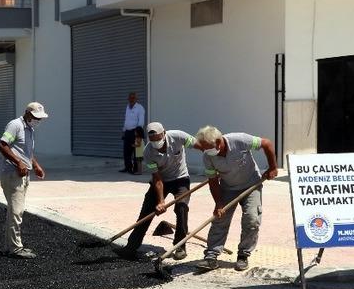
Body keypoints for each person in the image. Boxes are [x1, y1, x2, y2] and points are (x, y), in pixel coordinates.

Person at [113, 122, 203, 261]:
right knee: (147, 211)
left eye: (158, 138)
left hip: (181, 179)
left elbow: (200, 146)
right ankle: (131, 247)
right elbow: (157, 178)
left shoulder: (178, 137)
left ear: (164, 133)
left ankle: (180, 246)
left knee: (181, 208)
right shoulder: (148, 152)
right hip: (162, 181)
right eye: (152, 139)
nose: (156, 141)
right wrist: (161, 201)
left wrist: (214, 160)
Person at [194, 126, 278, 271]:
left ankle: (243, 255)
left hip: (252, 185)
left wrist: (272, 167)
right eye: (204, 149)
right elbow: (213, 181)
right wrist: (218, 203)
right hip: (228, 188)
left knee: (252, 219)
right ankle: (211, 256)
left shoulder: (240, 140)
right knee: (220, 219)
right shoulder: (208, 156)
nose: (206, 152)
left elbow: (267, 143)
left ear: (219, 142)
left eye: (208, 148)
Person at [0, 102, 48, 259]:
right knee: (16, 212)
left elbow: (25, 152)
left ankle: (9, 246)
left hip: (23, 174)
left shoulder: (29, 129)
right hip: (12, 175)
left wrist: (36, 165)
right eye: (35, 117)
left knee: (14, 212)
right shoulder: (16, 125)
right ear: (27, 113)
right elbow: (2, 145)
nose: (38, 121)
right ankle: (16, 248)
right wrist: (18, 163)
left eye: (40, 118)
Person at [120, 92, 145, 174]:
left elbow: (141, 121)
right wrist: (124, 130)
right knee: (126, 151)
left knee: (136, 151)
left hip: (135, 132)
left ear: (136, 99)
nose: (131, 99)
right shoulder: (127, 107)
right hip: (127, 132)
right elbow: (126, 120)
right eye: (130, 98)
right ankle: (127, 167)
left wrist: (138, 133)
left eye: (133, 98)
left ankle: (136, 169)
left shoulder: (139, 108)